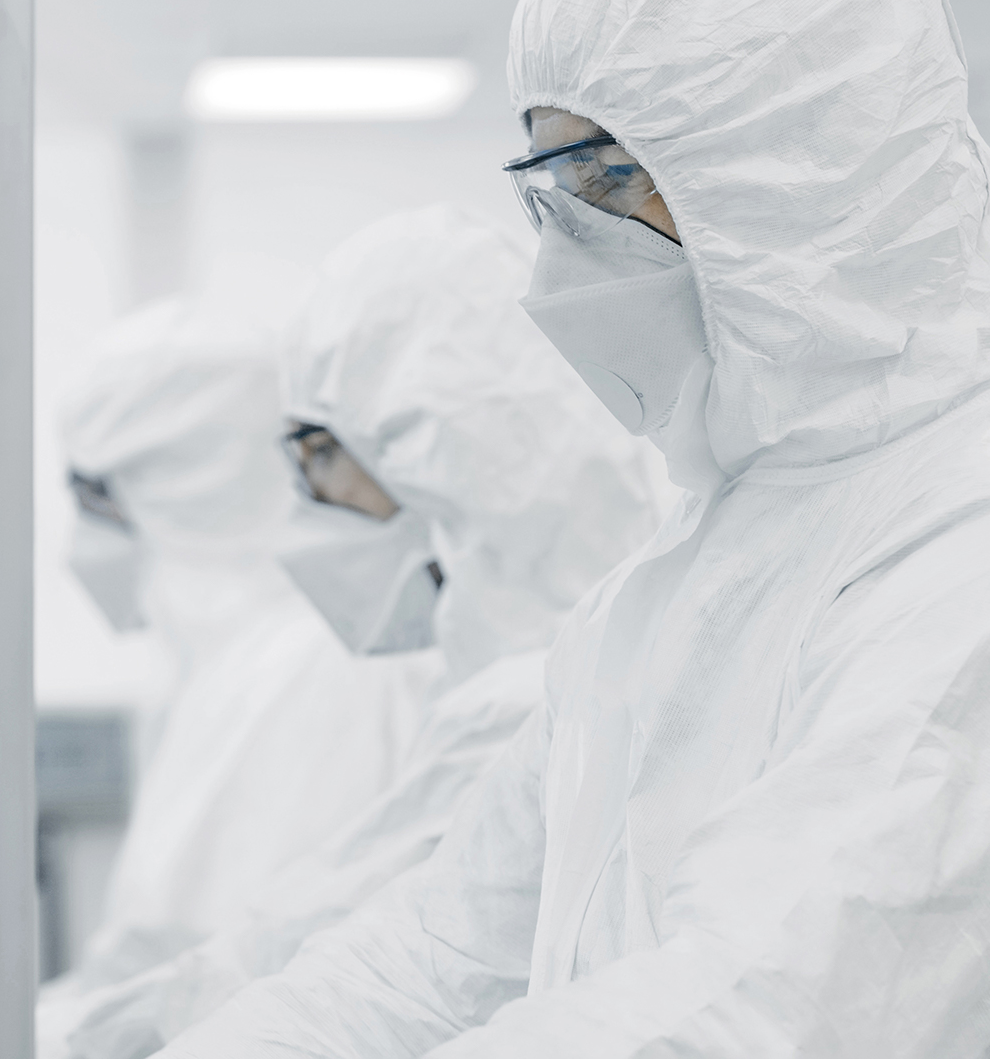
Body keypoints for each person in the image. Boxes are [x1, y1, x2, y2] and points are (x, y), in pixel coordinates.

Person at [156, 0, 990, 1056]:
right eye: (545, 192)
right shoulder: (672, 581)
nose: (558, 264)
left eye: (604, 178)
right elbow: (431, 960)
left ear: (806, 172)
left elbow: (757, 1013)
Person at [40, 205, 664, 1059]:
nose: (303, 504)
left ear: (439, 452)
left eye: (318, 456)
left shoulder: (540, 702)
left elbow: (394, 979)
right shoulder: (516, 685)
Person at [44, 294, 443, 1000]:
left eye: (92, 493)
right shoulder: (228, 668)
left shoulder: (314, 671)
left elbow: (221, 976)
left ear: (172, 484)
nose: (81, 534)